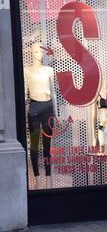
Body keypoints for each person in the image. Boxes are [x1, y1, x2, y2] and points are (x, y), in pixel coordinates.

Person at [24, 42, 57, 189]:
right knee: (35, 144)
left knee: (47, 145)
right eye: (37, 51)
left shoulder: (49, 70)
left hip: (48, 106)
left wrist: (55, 113)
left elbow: (53, 92)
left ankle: (49, 178)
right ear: (32, 52)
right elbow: (25, 93)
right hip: (34, 107)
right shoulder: (26, 71)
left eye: (42, 51)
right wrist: (26, 111)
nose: (40, 54)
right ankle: (37, 178)